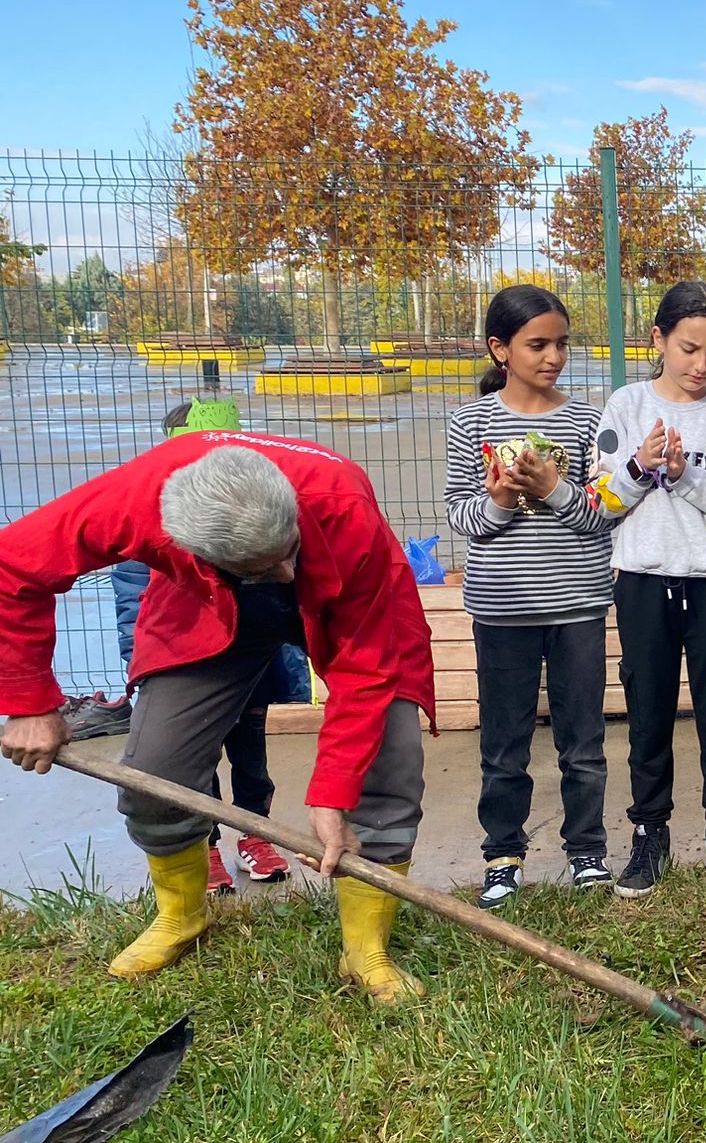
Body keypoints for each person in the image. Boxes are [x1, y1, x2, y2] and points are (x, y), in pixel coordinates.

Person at [0, 430, 438, 1005]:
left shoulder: (339, 503)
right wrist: (31, 703)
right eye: (266, 565)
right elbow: (13, 565)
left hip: (348, 598)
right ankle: (182, 917)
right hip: (205, 607)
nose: (285, 573)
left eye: (289, 552)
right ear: (183, 542)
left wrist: (330, 792)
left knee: (390, 757)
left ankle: (365, 950)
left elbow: (367, 666)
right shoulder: (135, 503)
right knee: (156, 773)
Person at [444, 284, 618, 910]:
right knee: (504, 743)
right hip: (502, 610)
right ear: (500, 349)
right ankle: (503, 855)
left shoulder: (587, 421)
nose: (553, 357)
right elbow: (462, 519)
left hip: (577, 605)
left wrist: (554, 488)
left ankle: (588, 850)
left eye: (562, 344)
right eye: (537, 344)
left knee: (583, 741)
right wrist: (500, 498)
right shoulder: (472, 422)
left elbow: (603, 516)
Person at [590, 281, 706, 896]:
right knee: (648, 710)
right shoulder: (626, 406)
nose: (700, 366)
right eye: (689, 348)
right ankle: (649, 833)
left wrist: (686, 475)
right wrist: (639, 466)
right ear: (658, 339)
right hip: (642, 580)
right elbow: (601, 503)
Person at [110, 400, 311, 896]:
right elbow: (132, 611)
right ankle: (206, 845)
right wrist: (143, 668)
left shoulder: (259, 521)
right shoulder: (155, 528)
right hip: (187, 664)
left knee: (251, 758)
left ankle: (255, 833)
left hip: (251, 672)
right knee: (191, 763)